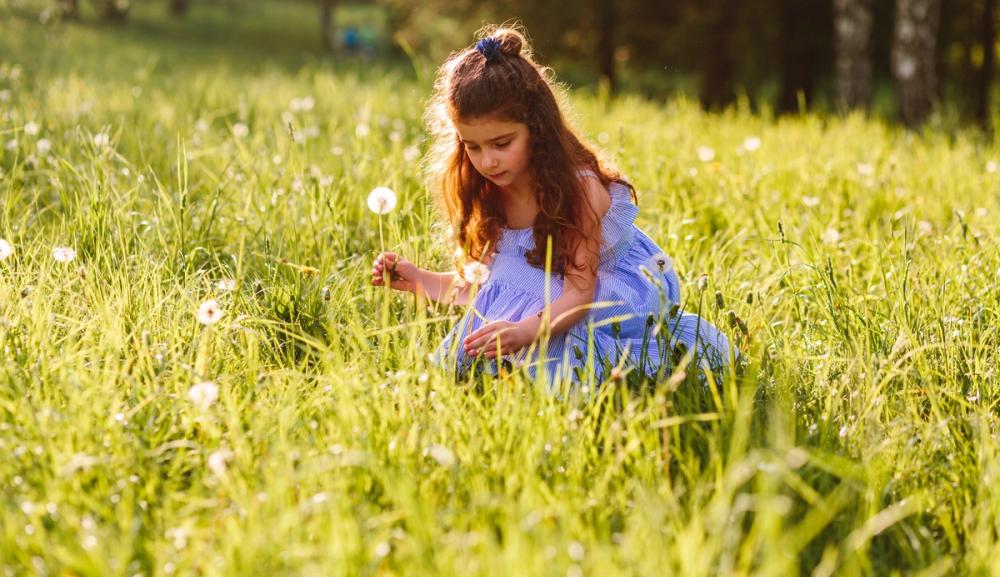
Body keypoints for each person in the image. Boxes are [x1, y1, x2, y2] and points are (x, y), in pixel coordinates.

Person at [371, 25, 734, 386]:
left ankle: (592, 368)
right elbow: (490, 286)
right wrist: (420, 280)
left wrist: (525, 331)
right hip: (548, 296)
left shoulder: (578, 191)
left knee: (563, 357)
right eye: (473, 146)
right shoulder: (489, 191)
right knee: (484, 347)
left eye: (502, 143)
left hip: (607, 296)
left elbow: (579, 293)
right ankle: (522, 364)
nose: (488, 161)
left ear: (537, 128)